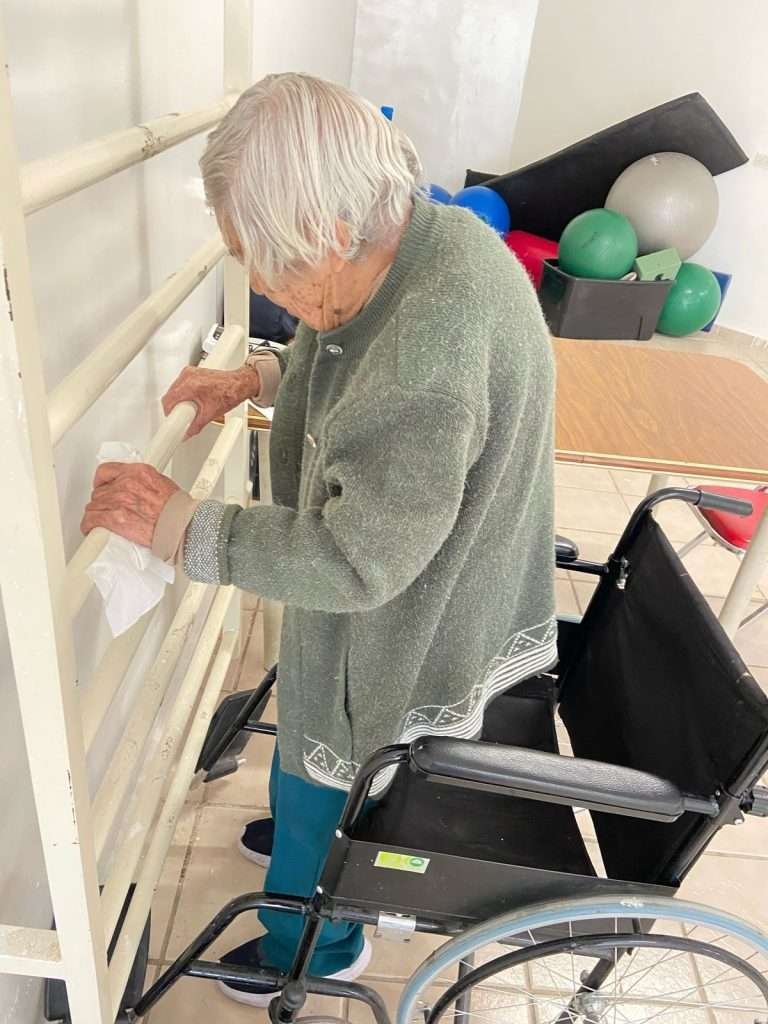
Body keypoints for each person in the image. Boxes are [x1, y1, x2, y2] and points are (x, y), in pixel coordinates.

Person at [81, 73, 557, 1007]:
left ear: (332, 232)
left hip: (414, 613)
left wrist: (182, 527)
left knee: (319, 764)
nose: (260, 284)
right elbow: (351, 343)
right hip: (447, 567)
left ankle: (316, 938)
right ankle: (311, 846)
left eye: (261, 261)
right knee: (308, 736)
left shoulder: (428, 353)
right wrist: (258, 376)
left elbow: (352, 562)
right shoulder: (427, 241)